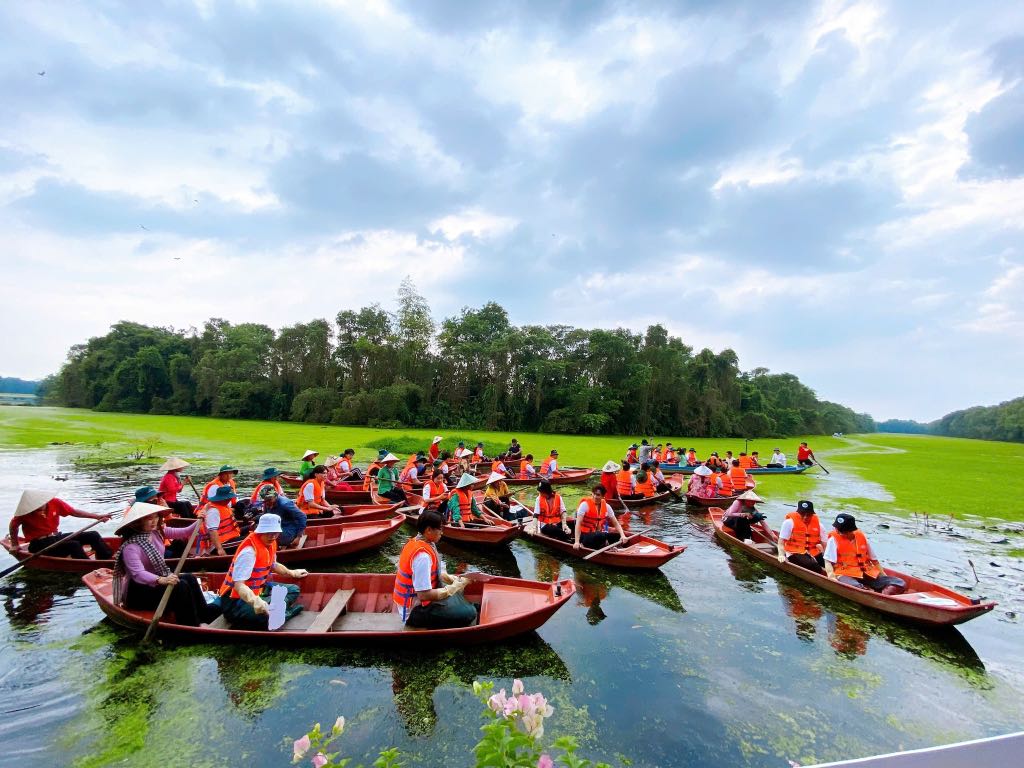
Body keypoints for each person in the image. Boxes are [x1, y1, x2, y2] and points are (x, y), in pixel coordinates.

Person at [111, 502, 219, 626]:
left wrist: (200, 519)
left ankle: (204, 614)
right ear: (138, 522)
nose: (154, 521)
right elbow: (138, 574)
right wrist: (161, 579)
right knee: (180, 587)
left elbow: (186, 531)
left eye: (156, 517)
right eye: (149, 519)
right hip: (138, 591)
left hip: (156, 582)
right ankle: (190, 623)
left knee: (190, 578)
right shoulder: (130, 547)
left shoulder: (158, 533)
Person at [218, 513, 309, 629]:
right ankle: (284, 612)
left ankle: (276, 609)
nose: (272, 537)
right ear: (260, 531)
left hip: (259, 589)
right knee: (263, 616)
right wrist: (258, 603)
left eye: (275, 533)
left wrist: (293, 573)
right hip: (236, 602)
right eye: (269, 533)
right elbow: (239, 586)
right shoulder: (249, 552)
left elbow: (273, 565)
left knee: (293, 590)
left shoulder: (270, 543)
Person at [393, 510, 477, 628]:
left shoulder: (418, 542)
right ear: (428, 530)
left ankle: (465, 606)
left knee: (457, 593)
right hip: (414, 611)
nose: (442, 532)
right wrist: (454, 587)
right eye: (440, 529)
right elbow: (424, 595)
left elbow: (434, 573)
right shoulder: (422, 557)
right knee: (470, 613)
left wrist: (454, 579)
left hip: (418, 601)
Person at [9, 490, 114, 560]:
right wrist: (14, 544)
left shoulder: (55, 502)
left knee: (93, 535)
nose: (38, 507)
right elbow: (13, 526)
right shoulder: (25, 511)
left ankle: (106, 558)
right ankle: (89, 567)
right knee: (74, 545)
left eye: (40, 504)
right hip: (38, 544)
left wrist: (97, 517)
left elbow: (74, 512)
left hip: (55, 537)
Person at [824, 514, 907, 594]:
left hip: (866, 572)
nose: (837, 531)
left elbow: (874, 560)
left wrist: (883, 576)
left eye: (840, 530)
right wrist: (831, 577)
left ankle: (882, 594)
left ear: (850, 531)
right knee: (855, 587)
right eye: (837, 528)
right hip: (845, 574)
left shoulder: (861, 537)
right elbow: (828, 561)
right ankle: (868, 591)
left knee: (899, 583)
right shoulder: (833, 539)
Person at [777, 500, 826, 573]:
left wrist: (828, 560)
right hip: (794, 552)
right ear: (797, 513)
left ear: (812, 514)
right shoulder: (789, 523)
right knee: (814, 566)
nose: (805, 517)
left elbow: (825, 545)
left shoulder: (820, 525)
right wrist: (781, 555)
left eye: (808, 514)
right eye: (802, 514)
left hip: (813, 552)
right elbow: (781, 542)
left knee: (830, 565)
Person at [574, 485, 626, 550]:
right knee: (600, 535)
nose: (595, 497)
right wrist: (576, 542)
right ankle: (606, 545)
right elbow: (578, 523)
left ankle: (608, 546)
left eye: (598, 495)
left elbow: (615, 523)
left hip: (598, 535)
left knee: (618, 536)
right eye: (594, 494)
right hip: (584, 536)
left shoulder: (607, 506)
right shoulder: (585, 505)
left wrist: (622, 535)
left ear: (603, 496)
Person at [196, 485, 244, 556]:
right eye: (229, 498)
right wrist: (220, 549)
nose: (230, 500)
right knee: (250, 540)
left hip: (229, 537)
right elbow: (212, 531)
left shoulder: (222, 506)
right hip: (219, 544)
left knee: (252, 531)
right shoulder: (213, 511)